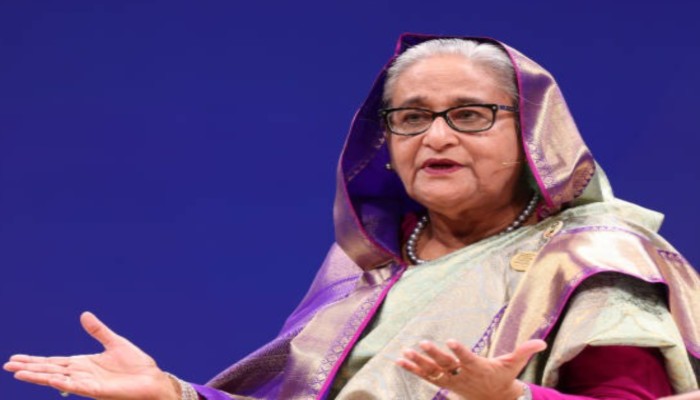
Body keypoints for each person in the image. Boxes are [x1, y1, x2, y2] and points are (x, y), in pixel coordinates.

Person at [4, 34, 700, 400]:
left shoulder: (592, 259)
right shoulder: (370, 266)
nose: (436, 137)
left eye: (469, 115)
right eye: (411, 117)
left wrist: (512, 399)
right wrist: (172, 394)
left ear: (533, 135)